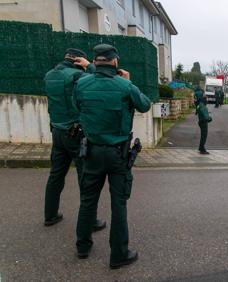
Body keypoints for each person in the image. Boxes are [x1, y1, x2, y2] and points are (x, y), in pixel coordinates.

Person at [74, 44, 151, 269]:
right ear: (115, 62)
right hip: (118, 154)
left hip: (91, 151)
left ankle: (82, 246)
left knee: (87, 200)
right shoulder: (125, 85)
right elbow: (145, 105)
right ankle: (118, 255)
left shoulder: (81, 84)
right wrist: (130, 81)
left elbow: (76, 105)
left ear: (95, 61)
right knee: (118, 204)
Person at [43, 48, 106, 232]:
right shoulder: (77, 76)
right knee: (85, 177)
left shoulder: (49, 75)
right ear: (79, 60)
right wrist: (91, 67)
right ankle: (90, 220)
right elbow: (99, 80)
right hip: (75, 133)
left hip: (57, 132)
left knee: (56, 175)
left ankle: (50, 215)